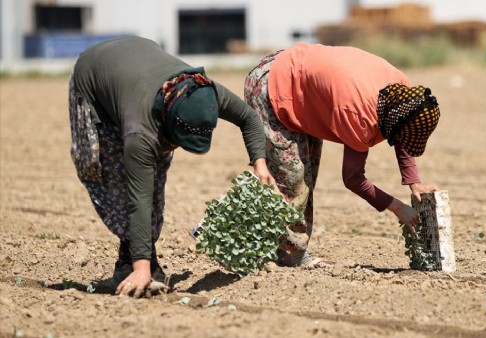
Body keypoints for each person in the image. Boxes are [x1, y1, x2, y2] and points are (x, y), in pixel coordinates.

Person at [68, 36, 275, 297]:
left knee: (155, 172)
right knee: (111, 175)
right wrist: (143, 268)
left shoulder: (204, 90)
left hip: (138, 64)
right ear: (168, 120)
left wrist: (260, 164)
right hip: (93, 78)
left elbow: (248, 117)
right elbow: (138, 199)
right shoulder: (140, 132)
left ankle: (135, 258)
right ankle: (134, 263)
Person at [244, 42, 441, 268]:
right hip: (272, 86)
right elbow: (353, 178)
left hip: (303, 85)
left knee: (305, 178)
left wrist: (414, 182)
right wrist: (396, 207)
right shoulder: (359, 114)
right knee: (292, 179)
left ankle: (292, 253)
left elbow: (403, 130)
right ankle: (272, 250)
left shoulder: (404, 94)